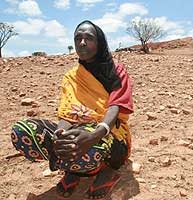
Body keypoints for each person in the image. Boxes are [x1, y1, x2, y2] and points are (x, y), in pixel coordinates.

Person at [11, 20, 133, 199]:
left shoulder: (116, 70)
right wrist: (58, 135)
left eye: (89, 38)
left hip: (111, 134)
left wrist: (95, 134)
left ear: (99, 43)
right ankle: (74, 170)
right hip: (77, 131)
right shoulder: (71, 76)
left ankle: (106, 171)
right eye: (78, 38)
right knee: (23, 131)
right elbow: (67, 114)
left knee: (87, 142)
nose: (82, 42)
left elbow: (116, 106)